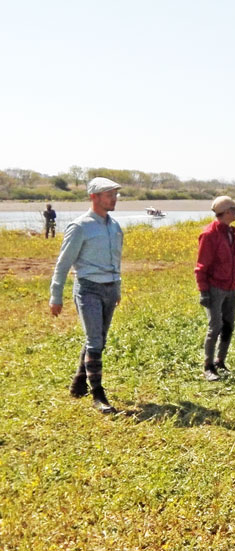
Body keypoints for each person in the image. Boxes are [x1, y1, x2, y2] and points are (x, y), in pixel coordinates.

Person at [49, 177, 124, 414]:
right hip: (88, 288)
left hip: (110, 289)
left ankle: (79, 383)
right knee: (95, 341)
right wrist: (56, 296)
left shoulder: (115, 226)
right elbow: (63, 264)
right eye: (108, 194)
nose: (113, 198)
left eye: (115, 194)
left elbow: (116, 261)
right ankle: (98, 395)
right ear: (94, 197)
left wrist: (117, 288)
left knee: (98, 337)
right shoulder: (80, 226)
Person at [195, 196, 235, 381]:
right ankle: (208, 366)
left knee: (228, 326)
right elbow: (201, 266)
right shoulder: (209, 235)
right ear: (227, 212)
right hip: (215, 288)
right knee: (215, 326)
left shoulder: (230, 232)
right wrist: (204, 292)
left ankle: (220, 361)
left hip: (230, 288)